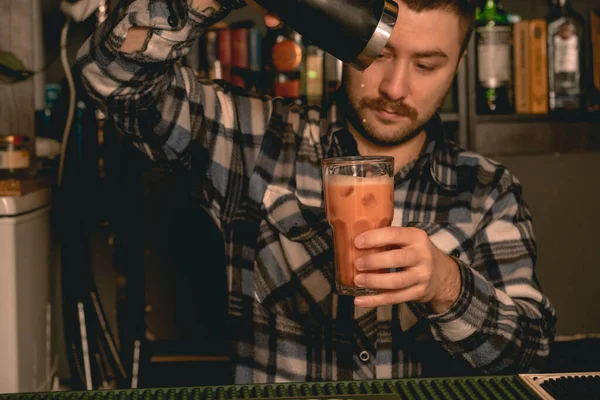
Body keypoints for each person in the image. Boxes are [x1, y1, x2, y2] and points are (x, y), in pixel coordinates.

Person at [76, 0, 557, 383]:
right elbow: (111, 78)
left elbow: (531, 352)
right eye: (379, 55)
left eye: (427, 65)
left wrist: (446, 286)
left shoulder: (487, 191)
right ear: (345, 40)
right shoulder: (256, 139)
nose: (395, 87)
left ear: (458, 65)